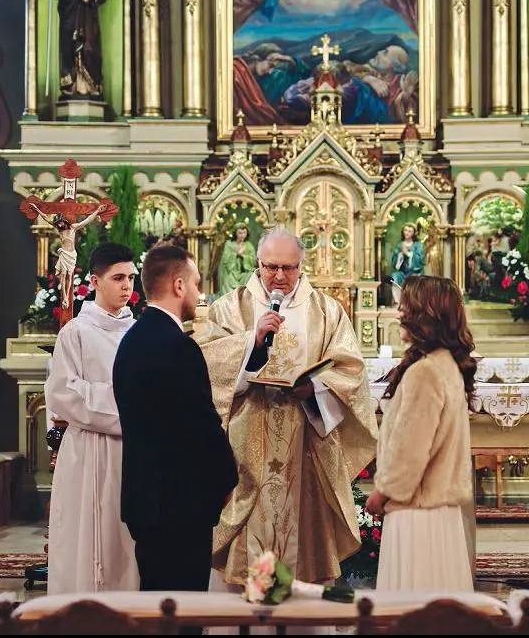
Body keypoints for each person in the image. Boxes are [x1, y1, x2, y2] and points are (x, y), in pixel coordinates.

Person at [197, 226, 378, 595]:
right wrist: (250, 345)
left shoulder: (326, 312)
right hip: (246, 445)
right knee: (247, 547)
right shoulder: (230, 307)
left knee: (302, 538)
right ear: (257, 263)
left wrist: (314, 389)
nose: (279, 276)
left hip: (305, 444)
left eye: (289, 268)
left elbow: (350, 372)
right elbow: (206, 367)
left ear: (301, 266)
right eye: (271, 267)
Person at [113, 245, 238, 601]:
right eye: (197, 284)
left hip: (146, 501)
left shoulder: (132, 340)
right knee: (183, 611)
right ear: (179, 285)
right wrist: (228, 478)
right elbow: (201, 426)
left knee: (156, 605)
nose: (200, 294)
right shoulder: (177, 346)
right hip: (180, 506)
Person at [366, 275, 476, 591]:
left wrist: (381, 493)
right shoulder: (445, 364)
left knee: (413, 603)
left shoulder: (425, 372)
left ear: (424, 316)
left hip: (418, 514)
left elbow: (409, 451)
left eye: (405, 307)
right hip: (439, 512)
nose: (398, 314)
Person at [45, 243, 139, 594]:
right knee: (87, 536)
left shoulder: (137, 331)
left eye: (131, 278)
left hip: (130, 451)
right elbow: (63, 393)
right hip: (88, 451)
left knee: (124, 538)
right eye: (117, 278)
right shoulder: (76, 332)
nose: (126, 286)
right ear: (95, 281)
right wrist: (129, 407)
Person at [28, 202, 106, 308]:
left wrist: (97, 211)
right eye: (57, 223)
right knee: (63, 276)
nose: (59, 225)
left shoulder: (73, 228)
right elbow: (46, 218)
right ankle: (64, 297)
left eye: (60, 222)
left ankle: (67, 296)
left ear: (63, 221)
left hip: (71, 254)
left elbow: (87, 220)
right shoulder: (60, 230)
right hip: (64, 254)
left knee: (70, 275)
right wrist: (37, 209)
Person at [217, 224, 257, 296]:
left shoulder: (249, 245)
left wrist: (243, 256)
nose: (242, 235)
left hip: (243, 272)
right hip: (231, 271)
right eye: (240, 233)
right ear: (235, 233)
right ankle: (229, 297)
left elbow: (253, 260)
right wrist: (235, 254)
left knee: (251, 275)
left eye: (244, 232)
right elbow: (225, 259)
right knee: (227, 277)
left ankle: (244, 297)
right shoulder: (229, 244)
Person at [389, 223, 425, 302]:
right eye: (405, 230)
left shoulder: (418, 245)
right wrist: (400, 255)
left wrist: (408, 254)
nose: (407, 233)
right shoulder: (399, 245)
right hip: (403, 273)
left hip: (415, 273)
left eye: (409, 231)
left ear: (414, 233)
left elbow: (420, 261)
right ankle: (398, 302)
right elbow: (395, 263)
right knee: (395, 276)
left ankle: (415, 302)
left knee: (416, 280)